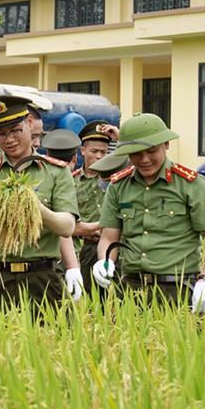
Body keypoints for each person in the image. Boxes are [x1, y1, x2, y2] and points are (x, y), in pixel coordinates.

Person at [0, 95, 80, 313]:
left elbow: (67, 226)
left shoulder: (55, 171)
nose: (8, 139)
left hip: (42, 277)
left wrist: (36, 208)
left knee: (49, 342)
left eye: (15, 130)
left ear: (29, 123)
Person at [92, 113, 205, 312]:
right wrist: (105, 261)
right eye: (136, 153)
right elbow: (108, 237)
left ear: (166, 144)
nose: (144, 159)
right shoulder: (118, 186)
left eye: (151, 151)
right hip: (131, 289)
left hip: (177, 289)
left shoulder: (192, 185)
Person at [70, 121, 113, 292]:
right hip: (87, 247)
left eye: (104, 152)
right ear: (82, 151)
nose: (99, 156)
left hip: (115, 246)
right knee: (91, 297)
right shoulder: (71, 181)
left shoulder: (117, 179)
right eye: (94, 151)